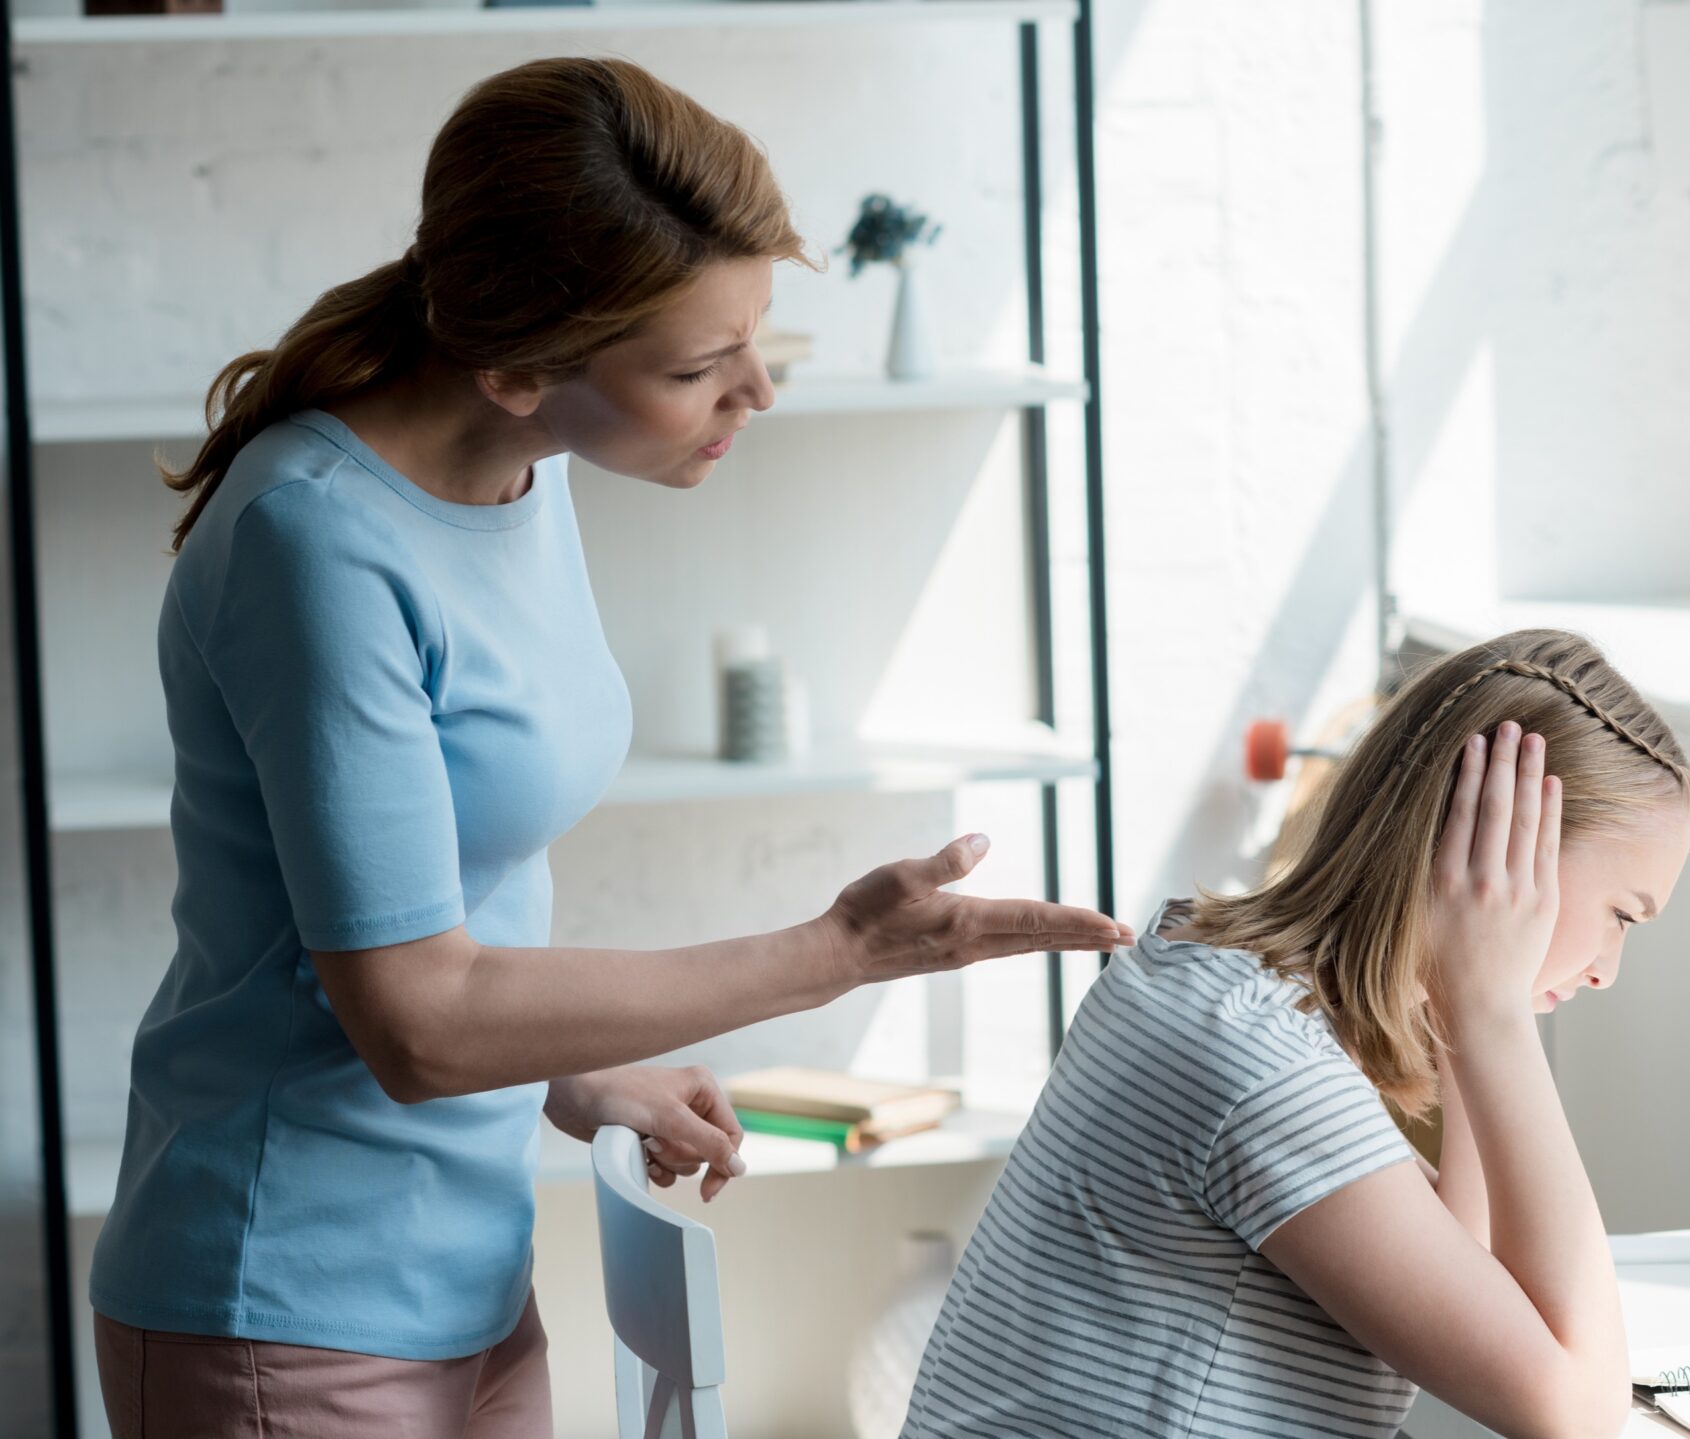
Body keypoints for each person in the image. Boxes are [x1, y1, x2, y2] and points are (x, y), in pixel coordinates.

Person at [85, 56, 1128, 1439]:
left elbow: (426, 915)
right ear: (516, 364)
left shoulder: (525, 470)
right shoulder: (315, 541)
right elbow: (415, 1017)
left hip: (470, 1274)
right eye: (699, 366)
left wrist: (573, 1073)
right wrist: (836, 953)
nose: (755, 389)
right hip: (287, 1297)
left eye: (755, 338)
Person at [901, 628, 1690, 1439]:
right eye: (1621, 915)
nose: (1607, 968)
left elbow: (1458, 1270)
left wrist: (1471, 1007)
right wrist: (1492, 1009)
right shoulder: (1259, 1068)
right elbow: (1580, 1414)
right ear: (1502, 851)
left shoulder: (1203, 970)